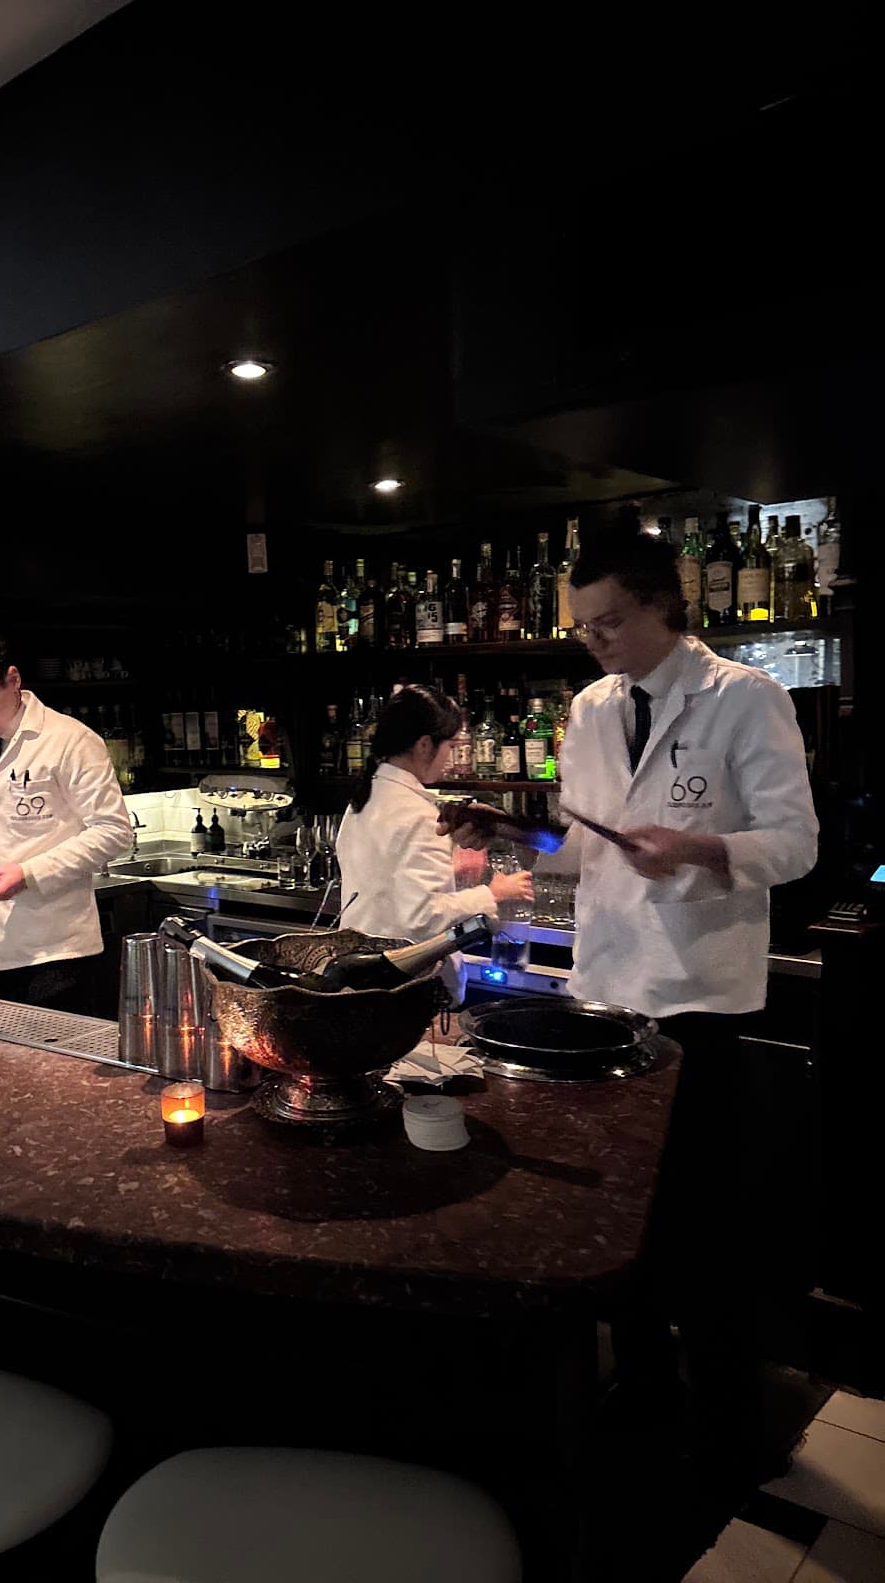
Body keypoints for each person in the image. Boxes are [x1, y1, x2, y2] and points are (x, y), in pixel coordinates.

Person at [452, 528, 818, 1479]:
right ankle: (647, 1384)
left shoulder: (746, 697)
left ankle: (732, 1423)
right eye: (584, 627)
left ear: (663, 604)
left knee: (704, 1221)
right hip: (604, 993)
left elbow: (795, 843)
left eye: (610, 623)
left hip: (698, 1000)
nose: (595, 642)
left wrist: (702, 848)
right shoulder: (589, 708)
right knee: (618, 1212)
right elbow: (585, 850)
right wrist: (516, 837)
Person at [0, 621, 133, 1014]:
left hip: (58, 954)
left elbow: (113, 831)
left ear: (12, 680)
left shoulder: (70, 740)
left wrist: (28, 873)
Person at [335, 685, 533, 1004]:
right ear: (425, 744)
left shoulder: (365, 797)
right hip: (406, 985)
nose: (449, 758)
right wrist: (494, 893)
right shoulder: (418, 812)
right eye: (450, 746)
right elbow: (424, 918)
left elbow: (385, 881)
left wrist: (453, 875)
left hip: (359, 968)